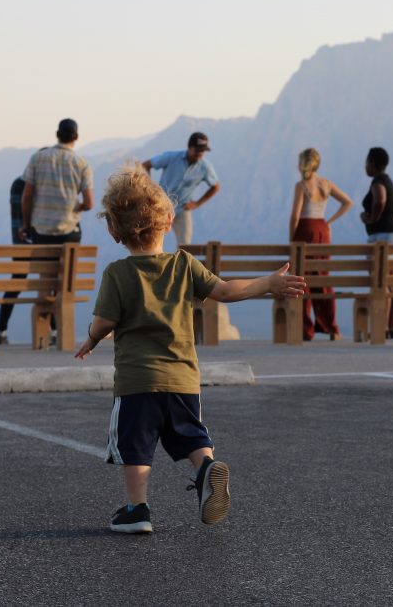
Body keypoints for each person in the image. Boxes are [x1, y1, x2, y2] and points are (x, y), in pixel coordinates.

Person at [75, 163, 305, 534]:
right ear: (168, 220)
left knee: (136, 447)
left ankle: (137, 510)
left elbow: (104, 323)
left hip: (138, 383)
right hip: (183, 380)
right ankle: (206, 468)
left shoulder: (117, 274)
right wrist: (269, 283)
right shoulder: (184, 265)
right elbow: (227, 291)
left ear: (115, 231)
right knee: (191, 435)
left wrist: (90, 337)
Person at [0, 119, 93, 345]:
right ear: (76, 137)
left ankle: (32, 332)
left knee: (40, 279)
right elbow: (89, 203)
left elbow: (26, 199)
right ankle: (58, 332)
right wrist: (72, 208)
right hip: (69, 233)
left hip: (39, 234)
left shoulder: (37, 161)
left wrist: (26, 227)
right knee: (60, 280)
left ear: (56, 134)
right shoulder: (81, 163)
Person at [288, 148, 353, 341]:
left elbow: (295, 216)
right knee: (323, 278)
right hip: (322, 231)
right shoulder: (326, 184)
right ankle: (332, 328)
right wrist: (329, 222)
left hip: (305, 230)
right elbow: (348, 202)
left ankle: (306, 330)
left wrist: (292, 239)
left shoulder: (301, 186)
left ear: (302, 164)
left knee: (302, 279)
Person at [360, 146, 393, 340]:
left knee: (382, 282)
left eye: (367, 161)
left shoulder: (378, 181)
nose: (365, 166)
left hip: (383, 237)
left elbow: (380, 199)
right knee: (392, 282)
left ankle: (382, 328)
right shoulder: (388, 180)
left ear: (373, 163)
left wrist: (371, 218)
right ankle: (392, 327)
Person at [142, 132, 219, 247]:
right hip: (160, 207)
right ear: (189, 148)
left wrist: (197, 203)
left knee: (185, 246)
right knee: (151, 242)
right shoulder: (171, 157)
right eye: (197, 150)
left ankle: (179, 265)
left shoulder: (205, 167)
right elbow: (146, 165)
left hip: (182, 209)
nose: (200, 154)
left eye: (203, 151)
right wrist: (149, 189)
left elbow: (215, 186)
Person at [0, 175, 29, 343]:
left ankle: (1, 330)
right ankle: (53, 330)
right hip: (39, 243)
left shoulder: (17, 184)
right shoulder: (36, 185)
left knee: (16, 283)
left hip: (20, 245)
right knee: (52, 282)